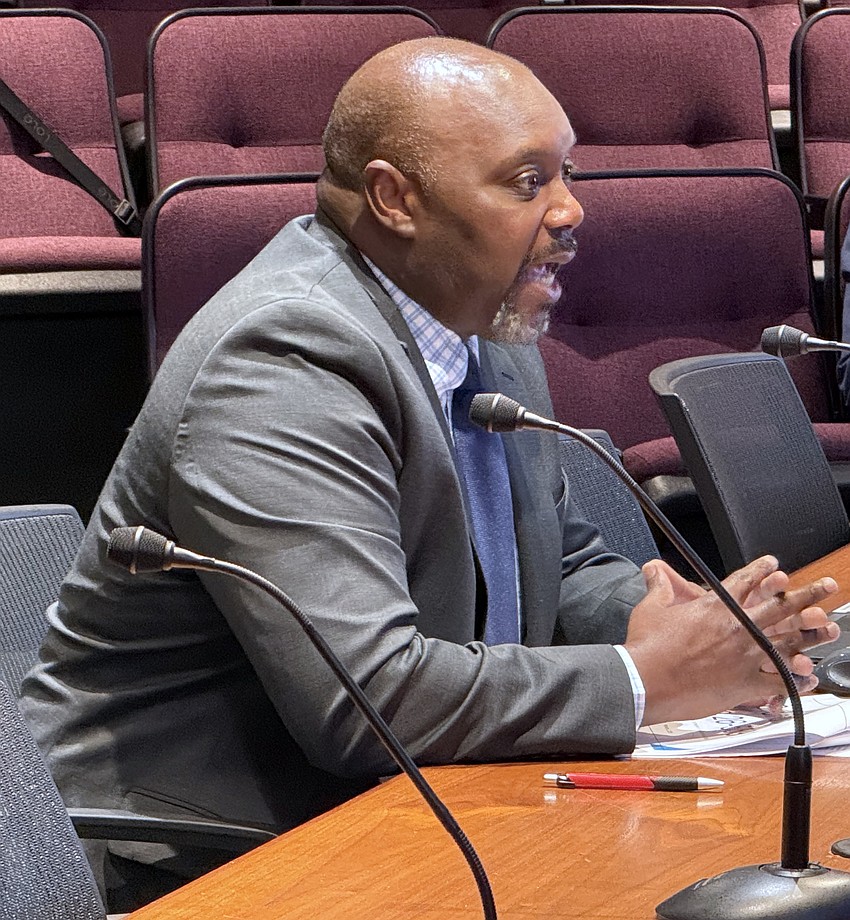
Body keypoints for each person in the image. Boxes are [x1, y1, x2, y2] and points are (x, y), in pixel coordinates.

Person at [21, 37, 838, 909]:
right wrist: (650, 677)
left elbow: (555, 566)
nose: (571, 211)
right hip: (205, 852)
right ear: (394, 198)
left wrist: (659, 618)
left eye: (568, 174)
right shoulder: (283, 360)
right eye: (529, 182)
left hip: (417, 801)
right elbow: (369, 704)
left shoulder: (479, 319)